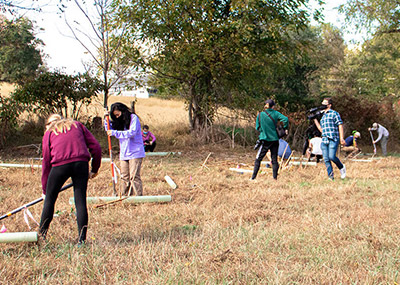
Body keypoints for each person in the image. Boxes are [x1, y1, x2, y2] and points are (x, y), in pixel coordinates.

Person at [40, 114, 102, 245]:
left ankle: (42, 235)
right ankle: (81, 240)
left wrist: (45, 190)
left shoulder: (49, 132)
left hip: (59, 166)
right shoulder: (77, 125)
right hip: (81, 164)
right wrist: (94, 169)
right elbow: (96, 147)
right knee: (80, 201)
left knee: (50, 200)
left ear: (49, 124)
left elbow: (46, 162)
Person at [106, 102, 145, 196]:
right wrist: (105, 118)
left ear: (123, 111)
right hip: (124, 152)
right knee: (124, 176)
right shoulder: (119, 122)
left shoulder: (133, 118)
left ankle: (138, 197)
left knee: (134, 176)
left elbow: (131, 133)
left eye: (118, 114)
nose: (117, 117)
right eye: (115, 115)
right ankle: (124, 196)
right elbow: (108, 128)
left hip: (135, 152)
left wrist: (115, 133)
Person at [251, 99, 289, 180]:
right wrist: (285, 128)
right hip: (275, 140)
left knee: (258, 159)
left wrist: (263, 131)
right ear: (273, 106)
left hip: (265, 140)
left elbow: (257, 127)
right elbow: (286, 119)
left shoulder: (260, 115)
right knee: (274, 159)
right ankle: (275, 178)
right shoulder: (275, 113)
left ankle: (253, 178)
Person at [314, 98, 346, 180]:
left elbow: (340, 125)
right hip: (324, 139)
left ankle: (341, 167)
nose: (322, 104)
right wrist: (314, 119)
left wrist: (342, 138)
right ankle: (330, 176)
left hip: (333, 138)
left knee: (332, 156)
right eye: (322, 102)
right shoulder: (322, 116)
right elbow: (321, 129)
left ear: (329, 105)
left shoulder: (334, 113)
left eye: (325, 103)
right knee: (326, 159)